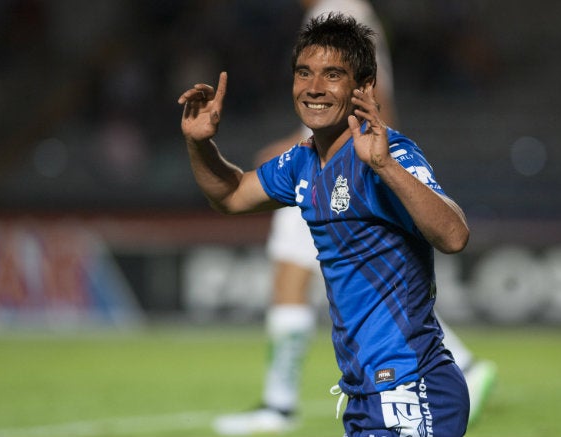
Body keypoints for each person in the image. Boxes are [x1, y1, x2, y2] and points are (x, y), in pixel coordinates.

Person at [179, 12, 474, 436]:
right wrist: (200, 143)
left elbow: (454, 235)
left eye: (332, 75)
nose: (314, 87)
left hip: (412, 387)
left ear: (364, 87)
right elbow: (231, 194)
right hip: (365, 394)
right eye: (304, 73)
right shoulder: (303, 161)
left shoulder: (388, 154)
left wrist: (386, 166)